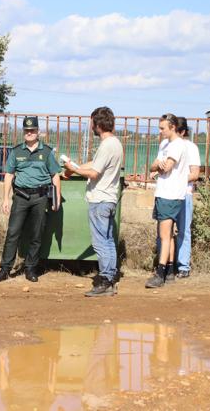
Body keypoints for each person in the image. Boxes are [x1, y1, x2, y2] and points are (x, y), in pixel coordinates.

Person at [0, 116, 61, 283]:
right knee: (13, 233)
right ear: (24, 132)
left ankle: (30, 268)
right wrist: (6, 199)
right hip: (21, 197)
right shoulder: (16, 151)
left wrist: (56, 199)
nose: (30, 133)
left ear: (38, 132)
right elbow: (9, 175)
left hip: (40, 197)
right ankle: (5, 268)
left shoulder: (47, 152)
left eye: (33, 130)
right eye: (27, 131)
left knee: (37, 234)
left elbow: (55, 176)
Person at [63, 106, 123, 297]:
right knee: (108, 241)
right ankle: (111, 278)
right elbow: (95, 165)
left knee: (100, 243)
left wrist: (75, 170)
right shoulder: (115, 144)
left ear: (97, 124)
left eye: (92, 123)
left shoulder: (107, 145)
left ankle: (105, 280)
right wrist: (75, 166)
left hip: (100, 199)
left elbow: (94, 173)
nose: (91, 127)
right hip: (109, 198)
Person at [145, 113, 188, 288]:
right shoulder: (165, 144)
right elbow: (154, 166)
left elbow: (166, 168)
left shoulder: (178, 145)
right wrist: (159, 165)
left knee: (164, 235)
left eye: (163, 128)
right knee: (167, 234)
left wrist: (160, 165)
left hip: (171, 195)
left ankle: (160, 272)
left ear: (172, 127)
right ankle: (169, 270)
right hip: (163, 193)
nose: (161, 131)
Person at [176, 117, 201, 278]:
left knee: (183, 231)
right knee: (163, 232)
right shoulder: (167, 146)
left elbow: (195, 174)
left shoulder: (191, 148)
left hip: (184, 194)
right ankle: (167, 264)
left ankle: (183, 266)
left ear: (182, 132)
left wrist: (176, 180)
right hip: (167, 195)